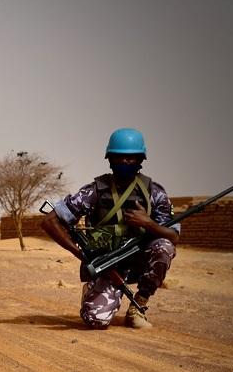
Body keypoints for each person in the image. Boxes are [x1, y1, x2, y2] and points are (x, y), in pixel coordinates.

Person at [41, 128, 178, 329]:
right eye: (119, 157)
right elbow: (49, 221)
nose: (125, 162)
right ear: (110, 159)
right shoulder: (95, 191)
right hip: (108, 264)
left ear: (141, 159)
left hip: (140, 260)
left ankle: (138, 306)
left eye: (131, 157)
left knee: (164, 246)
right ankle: (93, 290)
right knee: (95, 320)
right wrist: (81, 254)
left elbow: (173, 236)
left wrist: (148, 223)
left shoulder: (154, 192)